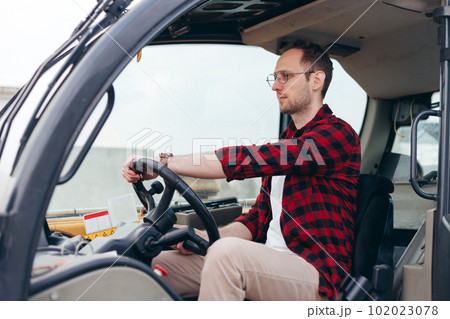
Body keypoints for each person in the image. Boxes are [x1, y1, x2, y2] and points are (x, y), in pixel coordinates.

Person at [122, 39, 360, 301]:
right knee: (147, 265)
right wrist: (203, 237)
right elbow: (257, 220)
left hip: (315, 275)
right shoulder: (286, 143)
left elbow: (254, 159)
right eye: (275, 76)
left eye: (285, 76)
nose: (275, 86)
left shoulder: (338, 134)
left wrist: (167, 164)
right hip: (267, 262)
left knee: (227, 255)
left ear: (316, 80)